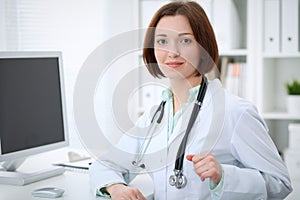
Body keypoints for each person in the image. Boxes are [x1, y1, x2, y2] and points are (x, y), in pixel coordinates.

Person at [89, 1, 292, 199]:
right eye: (162, 41)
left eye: (185, 41)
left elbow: (280, 184)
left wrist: (223, 176)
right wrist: (116, 188)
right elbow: (106, 164)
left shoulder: (235, 112)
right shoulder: (155, 116)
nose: (172, 52)